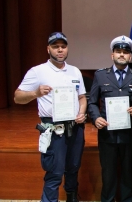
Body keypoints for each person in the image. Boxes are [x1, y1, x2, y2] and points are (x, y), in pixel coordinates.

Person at [14, 32, 86, 202]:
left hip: (75, 127)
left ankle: (72, 198)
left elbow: (82, 98)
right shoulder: (38, 71)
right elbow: (17, 97)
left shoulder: (74, 71)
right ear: (48, 49)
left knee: (73, 168)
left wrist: (82, 113)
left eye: (63, 46)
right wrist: (35, 93)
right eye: (55, 47)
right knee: (54, 171)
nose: (60, 50)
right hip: (54, 129)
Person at [87, 36, 132, 202]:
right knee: (108, 172)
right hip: (107, 133)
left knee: (128, 171)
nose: (122, 55)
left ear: (130, 57)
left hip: (129, 132)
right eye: (118, 51)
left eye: (126, 52)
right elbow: (92, 102)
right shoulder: (101, 75)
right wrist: (96, 118)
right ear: (112, 55)